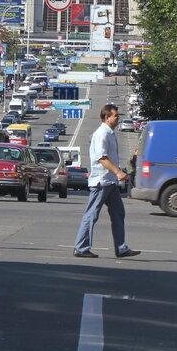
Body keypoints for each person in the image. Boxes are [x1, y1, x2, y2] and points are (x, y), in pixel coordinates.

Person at [73, 104, 140, 258]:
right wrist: (118, 172)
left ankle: (121, 247)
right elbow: (101, 158)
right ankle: (81, 247)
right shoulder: (102, 133)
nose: (118, 118)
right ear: (107, 117)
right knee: (91, 214)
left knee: (118, 213)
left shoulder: (109, 133)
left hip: (110, 182)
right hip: (101, 181)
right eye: (115, 115)